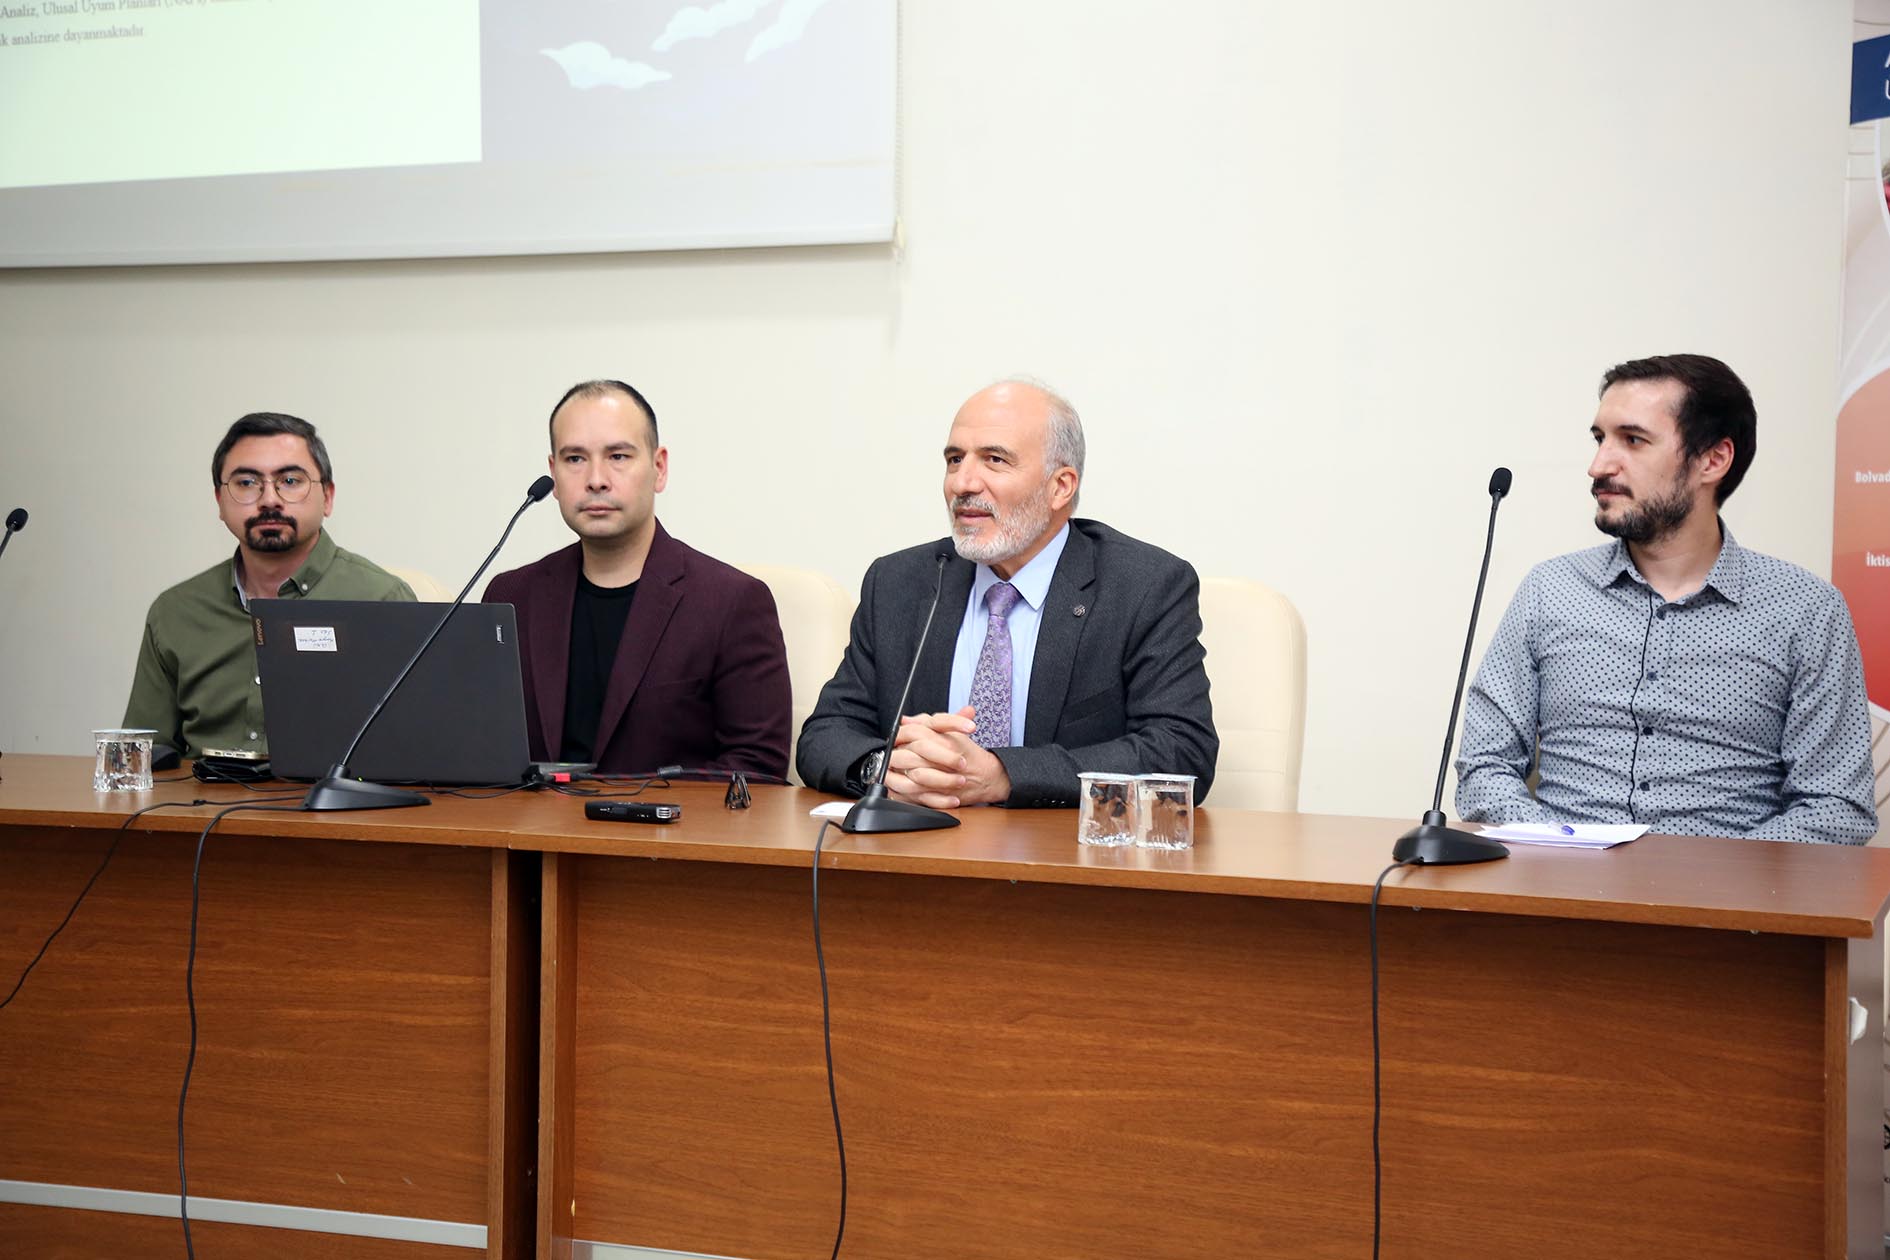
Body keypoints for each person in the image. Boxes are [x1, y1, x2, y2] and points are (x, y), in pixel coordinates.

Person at [1456, 353, 1877, 843]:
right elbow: (1484, 767)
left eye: (1632, 440)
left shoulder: (1804, 609)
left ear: (1713, 460)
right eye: (1599, 439)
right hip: (1561, 895)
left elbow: (1836, 808)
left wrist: (1702, 880)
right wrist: (1561, 846)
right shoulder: (1550, 590)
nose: (1598, 466)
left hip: (1734, 909)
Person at [797, 379, 1217, 808]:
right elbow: (825, 733)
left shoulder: (1143, 587)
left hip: (1060, 860)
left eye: (994, 460)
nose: (963, 483)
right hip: (917, 853)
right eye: (954, 459)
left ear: (1061, 487)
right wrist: (885, 769)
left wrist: (1004, 776)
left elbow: (1181, 753)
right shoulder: (900, 582)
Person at [483, 379, 790, 779]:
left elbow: (758, 769)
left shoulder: (731, 602)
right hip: (530, 837)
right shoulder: (511, 597)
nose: (596, 479)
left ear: (659, 468)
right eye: (575, 459)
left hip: (661, 837)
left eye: (618, 456)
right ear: (553, 474)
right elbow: (479, 746)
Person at [124, 412, 414, 759]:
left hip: (330, 809)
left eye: (290, 480)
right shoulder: (176, 611)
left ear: (329, 497)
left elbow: (418, 746)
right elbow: (143, 755)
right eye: (247, 483)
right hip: (200, 808)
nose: (270, 499)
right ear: (219, 500)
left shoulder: (382, 600)